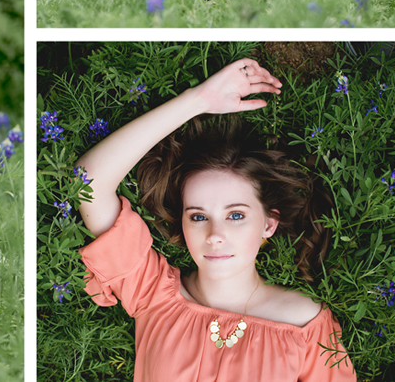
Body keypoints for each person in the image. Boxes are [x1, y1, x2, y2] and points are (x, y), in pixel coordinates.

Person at [75, 59, 356, 381]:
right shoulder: (151, 293)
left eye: (236, 215)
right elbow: (88, 182)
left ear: (268, 224)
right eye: (198, 216)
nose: (215, 235)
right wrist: (198, 101)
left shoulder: (305, 323)